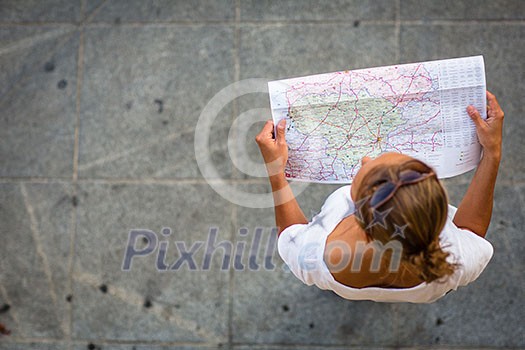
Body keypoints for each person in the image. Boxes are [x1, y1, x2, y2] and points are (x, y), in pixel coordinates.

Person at [255, 91, 504, 303]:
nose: (366, 158)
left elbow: (291, 231)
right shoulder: (455, 262)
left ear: (361, 218)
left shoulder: (315, 256)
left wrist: (276, 172)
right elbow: (471, 231)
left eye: (364, 174)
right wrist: (492, 153)